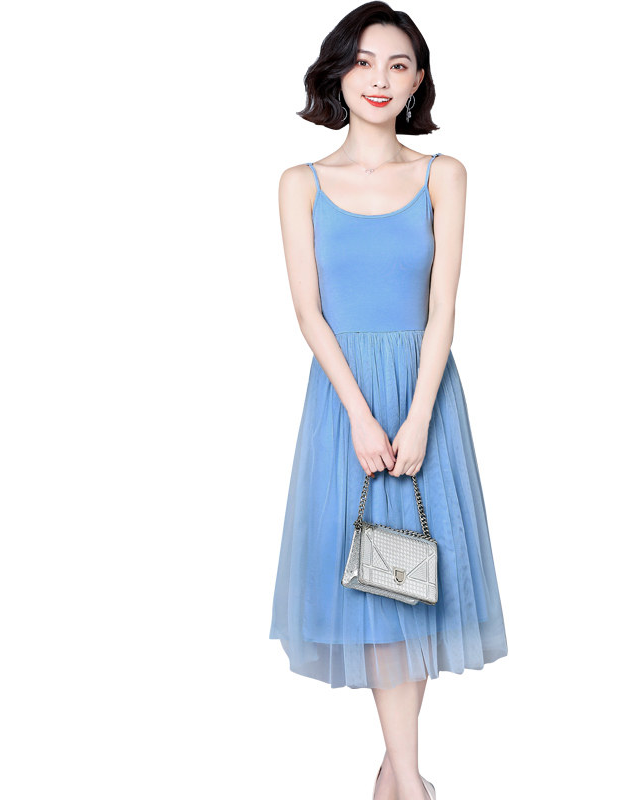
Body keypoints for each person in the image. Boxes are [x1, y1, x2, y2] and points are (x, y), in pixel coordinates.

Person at [268, 3, 509, 798]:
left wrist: (418, 414)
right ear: (338, 72)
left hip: (425, 393)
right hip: (345, 403)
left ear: (417, 82)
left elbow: (443, 307)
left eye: (398, 64)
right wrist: (362, 416)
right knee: (375, 580)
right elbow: (309, 312)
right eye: (364, 62)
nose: (379, 79)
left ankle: (397, 776)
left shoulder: (444, 174)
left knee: (412, 582)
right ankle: (407, 778)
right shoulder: (300, 184)